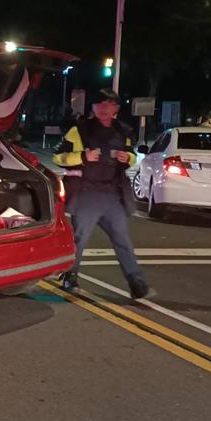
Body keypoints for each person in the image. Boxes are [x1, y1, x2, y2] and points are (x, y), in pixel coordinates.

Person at [54, 88, 151, 299]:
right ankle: (70, 276)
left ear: (116, 108)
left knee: (122, 238)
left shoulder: (124, 131)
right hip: (87, 192)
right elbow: (58, 157)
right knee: (79, 239)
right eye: (100, 104)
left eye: (109, 104)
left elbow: (133, 156)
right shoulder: (78, 130)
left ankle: (136, 282)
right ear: (93, 108)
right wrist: (82, 156)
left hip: (112, 194)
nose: (104, 109)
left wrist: (129, 159)